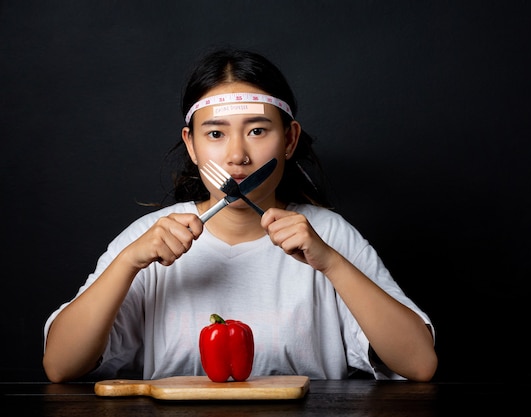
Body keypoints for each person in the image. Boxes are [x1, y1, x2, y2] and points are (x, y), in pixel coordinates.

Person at [42, 47, 438, 383]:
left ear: (290, 139)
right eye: (215, 134)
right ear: (192, 146)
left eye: (258, 130)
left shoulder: (328, 233)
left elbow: (419, 365)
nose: (237, 157)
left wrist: (332, 263)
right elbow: (60, 366)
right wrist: (128, 262)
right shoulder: (148, 236)